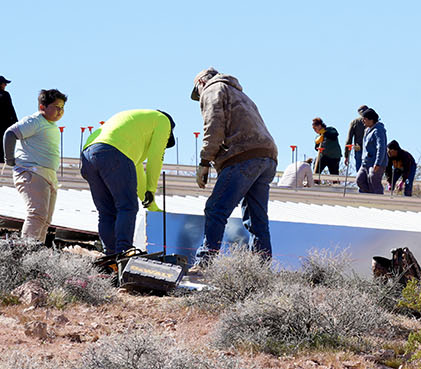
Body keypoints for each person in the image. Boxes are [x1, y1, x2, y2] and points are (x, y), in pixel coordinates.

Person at [192, 68, 278, 263]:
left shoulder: (213, 89)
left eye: (198, 92)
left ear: (202, 83)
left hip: (242, 155)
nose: (199, 97)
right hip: (267, 156)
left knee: (215, 209)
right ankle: (260, 267)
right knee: (257, 218)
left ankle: (205, 262)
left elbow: (213, 127)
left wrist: (204, 162)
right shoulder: (242, 95)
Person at [80, 109, 175, 257]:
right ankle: (124, 251)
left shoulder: (134, 130)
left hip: (88, 155)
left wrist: (151, 205)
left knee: (106, 212)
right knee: (127, 207)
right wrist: (151, 188)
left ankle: (111, 255)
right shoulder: (163, 120)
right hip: (113, 152)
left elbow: (138, 171)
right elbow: (156, 156)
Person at [3, 88, 67, 244]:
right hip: (32, 172)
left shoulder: (51, 125)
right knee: (37, 214)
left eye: (62, 108)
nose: (60, 111)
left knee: (45, 219)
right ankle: (26, 251)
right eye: (56, 107)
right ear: (42, 107)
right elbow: (10, 133)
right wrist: (9, 158)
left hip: (47, 175)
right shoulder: (35, 121)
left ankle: (37, 251)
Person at [355, 109, 388, 194]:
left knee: (373, 178)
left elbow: (381, 147)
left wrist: (378, 163)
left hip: (376, 162)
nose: (363, 121)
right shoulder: (367, 130)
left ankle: (378, 198)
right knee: (360, 179)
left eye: (365, 119)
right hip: (365, 163)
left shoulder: (378, 130)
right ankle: (367, 196)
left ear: (371, 120)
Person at [345, 106, 370, 172]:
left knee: (359, 170)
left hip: (358, 147)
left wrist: (346, 155)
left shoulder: (355, 122)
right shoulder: (372, 122)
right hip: (369, 148)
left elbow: (349, 139)